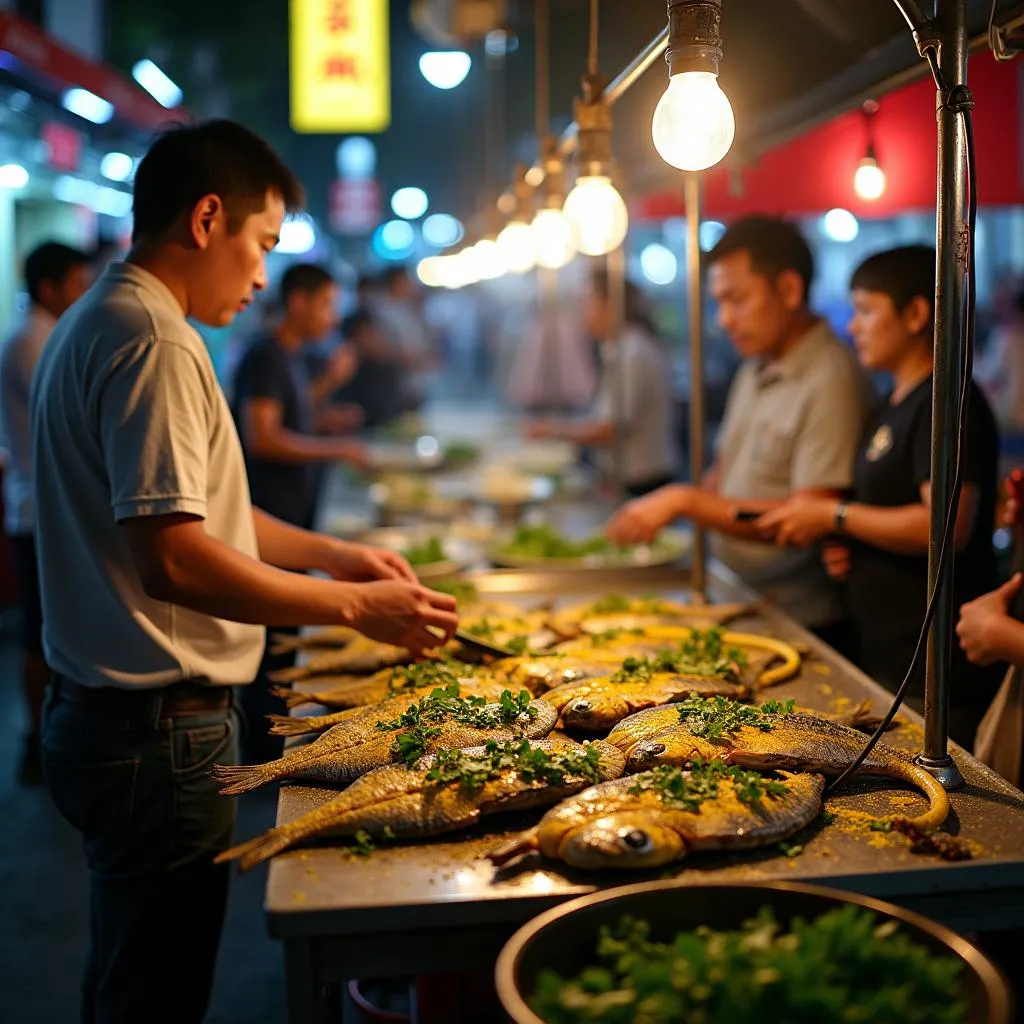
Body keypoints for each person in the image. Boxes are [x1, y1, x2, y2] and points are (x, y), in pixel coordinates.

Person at [31, 120, 458, 1024]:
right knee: (154, 993)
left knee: (124, 974)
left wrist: (335, 552)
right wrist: (351, 604)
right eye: (261, 245)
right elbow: (178, 558)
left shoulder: (100, 318)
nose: (263, 275)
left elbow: (204, 512)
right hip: (156, 733)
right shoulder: (154, 340)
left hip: (108, 720)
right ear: (207, 219)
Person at [758, 245, 1001, 745]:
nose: (853, 326)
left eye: (867, 310)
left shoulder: (947, 401)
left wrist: (835, 516)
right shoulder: (892, 403)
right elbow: (882, 512)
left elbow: (945, 526)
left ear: (915, 314)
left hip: (935, 671)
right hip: (884, 656)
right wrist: (848, 542)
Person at [608, 215, 870, 648]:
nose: (724, 319)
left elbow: (804, 518)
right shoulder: (754, 366)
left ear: (788, 289)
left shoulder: (830, 377)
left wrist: (682, 500)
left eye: (737, 300)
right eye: (718, 303)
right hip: (735, 593)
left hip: (799, 623)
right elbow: (723, 472)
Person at [0, 241, 91, 783]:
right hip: (37, 512)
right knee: (40, 633)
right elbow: (74, 417)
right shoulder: (30, 341)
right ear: (49, 287)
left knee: (51, 630)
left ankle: (44, 738)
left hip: (45, 508)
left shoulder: (40, 335)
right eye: (77, 283)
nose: (82, 293)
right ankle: (36, 742)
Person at [232, 262, 367, 533]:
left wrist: (327, 418)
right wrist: (337, 449)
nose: (335, 317)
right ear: (298, 302)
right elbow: (262, 438)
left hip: (294, 505)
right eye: (327, 305)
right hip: (271, 511)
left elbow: (292, 414)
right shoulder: (265, 356)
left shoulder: (290, 352)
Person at [528, 270, 679, 497]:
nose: (583, 313)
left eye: (588, 303)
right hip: (627, 476)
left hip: (642, 480)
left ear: (610, 306)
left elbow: (611, 429)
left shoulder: (633, 352)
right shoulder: (619, 347)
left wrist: (552, 429)